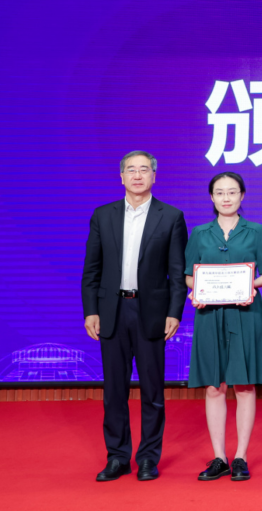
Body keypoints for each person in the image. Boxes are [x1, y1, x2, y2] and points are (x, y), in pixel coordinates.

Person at [81, 151, 188, 482]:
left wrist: (174, 313)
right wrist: (91, 310)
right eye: (131, 170)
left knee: (153, 391)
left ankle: (148, 458)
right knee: (114, 390)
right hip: (112, 311)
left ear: (154, 176)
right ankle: (117, 457)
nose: (138, 175)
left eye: (144, 170)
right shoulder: (103, 215)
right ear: (122, 177)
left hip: (151, 312)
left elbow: (177, 272)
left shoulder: (171, 217)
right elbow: (92, 269)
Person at [184, 172, 262, 481]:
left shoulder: (257, 231)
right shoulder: (199, 233)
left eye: (232, 192)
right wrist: (197, 291)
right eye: (220, 192)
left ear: (242, 196)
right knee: (214, 387)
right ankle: (219, 457)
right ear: (211, 197)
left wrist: (249, 285)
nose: (226, 197)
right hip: (210, 314)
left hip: (245, 313)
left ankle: (240, 457)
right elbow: (189, 275)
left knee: (244, 385)